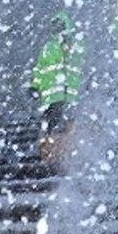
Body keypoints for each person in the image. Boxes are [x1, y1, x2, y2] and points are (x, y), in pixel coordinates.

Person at [31, 11, 85, 167]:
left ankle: (65, 155)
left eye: (60, 26)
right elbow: (39, 69)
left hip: (70, 96)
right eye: (54, 26)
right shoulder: (48, 48)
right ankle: (50, 156)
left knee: (67, 127)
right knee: (51, 127)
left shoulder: (75, 46)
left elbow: (80, 65)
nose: (57, 29)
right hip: (52, 97)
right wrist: (35, 86)